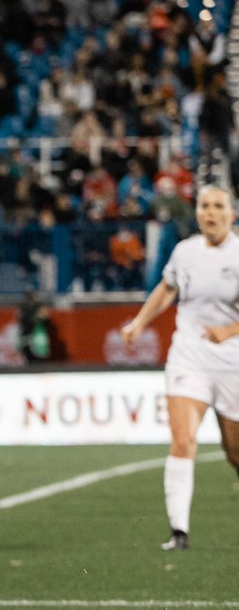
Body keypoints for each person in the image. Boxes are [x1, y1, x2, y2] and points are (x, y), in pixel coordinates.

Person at [121, 184, 239, 551]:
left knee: (235, 452)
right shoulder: (185, 251)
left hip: (233, 359)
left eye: (218, 206)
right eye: (204, 206)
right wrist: (141, 321)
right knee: (183, 439)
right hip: (189, 355)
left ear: (232, 214)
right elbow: (168, 288)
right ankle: (179, 532)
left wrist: (231, 329)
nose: (210, 213)